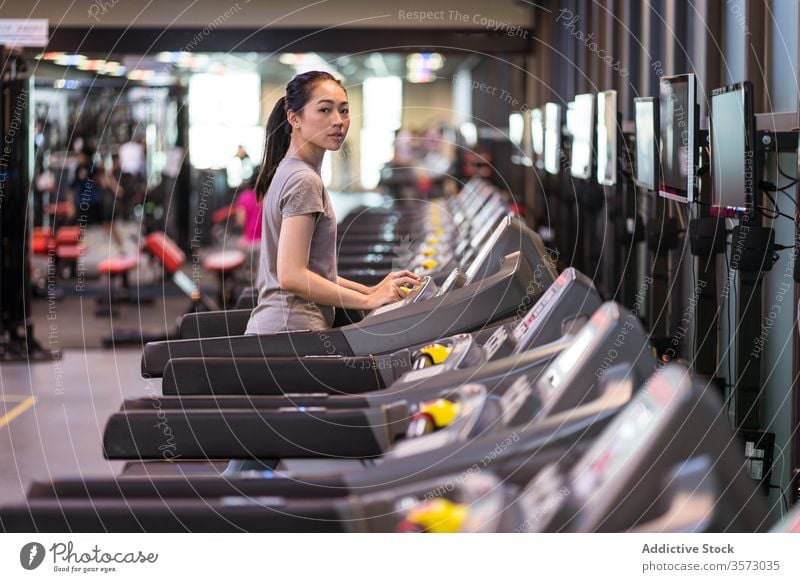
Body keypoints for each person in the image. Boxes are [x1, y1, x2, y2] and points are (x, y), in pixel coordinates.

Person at [245, 71, 419, 335]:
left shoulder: (290, 170)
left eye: (344, 110)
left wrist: (369, 289)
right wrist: (368, 301)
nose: (338, 121)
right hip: (291, 331)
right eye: (324, 110)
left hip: (283, 328)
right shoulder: (303, 180)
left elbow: (313, 270)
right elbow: (291, 275)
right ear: (294, 118)